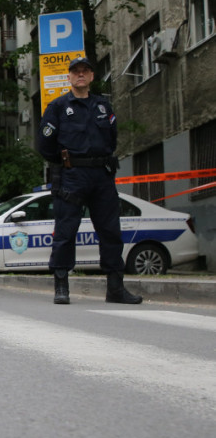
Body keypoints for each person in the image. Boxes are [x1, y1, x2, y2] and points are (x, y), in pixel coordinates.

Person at [37, 57, 142, 305]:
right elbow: (45, 145)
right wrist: (66, 162)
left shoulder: (103, 106)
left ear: (92, 76)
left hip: (102, 176)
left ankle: (115, 288)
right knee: (66, 232)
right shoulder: (58, 107)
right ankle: (61, 286)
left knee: (110, 231)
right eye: (76, 72)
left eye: (85, 71)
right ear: (69, 77)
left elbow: (112, 140)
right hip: (72, 175)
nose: (80, 75)